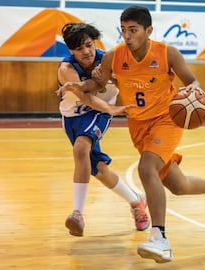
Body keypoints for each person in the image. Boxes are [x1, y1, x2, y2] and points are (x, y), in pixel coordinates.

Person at [57, 6, 205, 263]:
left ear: (148, 30)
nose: (127, 36)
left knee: (146, 168)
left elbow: (192, 81)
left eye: (133, 30)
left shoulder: (167, 54)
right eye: (123, 30)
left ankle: (160, 238)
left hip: (166, 120)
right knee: (177, 185)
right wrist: (80, 85)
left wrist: (194, 96)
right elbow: (97, 83)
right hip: (139, 126)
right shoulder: (113, 57)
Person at [57, 22, 150, 237]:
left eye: (89, 45)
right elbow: (85, 97)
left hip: (99, 112)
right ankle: (137, 202)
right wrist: (110, 106)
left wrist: (114, 88)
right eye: (79, 49)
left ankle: (78, 214)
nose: (86, 51)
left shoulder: (109, 59)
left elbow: (128, 79)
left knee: (81, 149)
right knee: (98, 169)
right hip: (73, 116)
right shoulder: (66, 69)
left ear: (94, 42)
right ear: (71, 51)